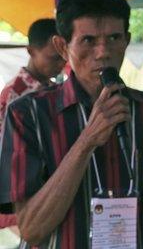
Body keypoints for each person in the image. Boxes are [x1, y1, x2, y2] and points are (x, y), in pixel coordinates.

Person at [0, 0, 143, 248]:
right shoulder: (27, 115)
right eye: (88, 40)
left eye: (114, 38)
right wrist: (86, 141)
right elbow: (31, 229)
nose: (103, 52)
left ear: (127, 41)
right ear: (63, 47)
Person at [0, 19, 66, 230]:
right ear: (31, 51)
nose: (60, 64)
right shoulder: (15, 97)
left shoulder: (55, 90)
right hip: (25, 197)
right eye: (53, 57)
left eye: (63, 57)